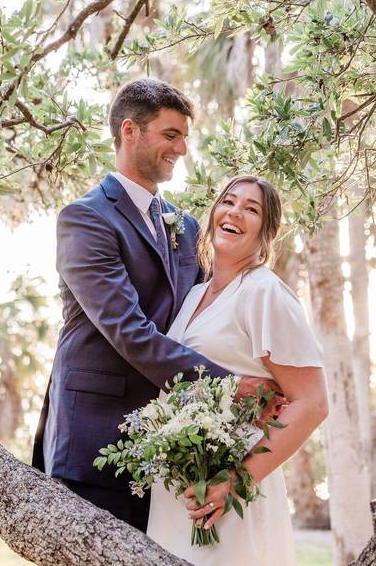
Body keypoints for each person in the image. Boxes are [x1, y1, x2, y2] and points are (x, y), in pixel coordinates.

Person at [31, 79, 280, 532]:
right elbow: (129, 331)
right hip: (95, 442)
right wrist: (229, 386)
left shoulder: (184, 224)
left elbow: (210, 308)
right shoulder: (85, 219)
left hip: (171, 450)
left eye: (185, 136)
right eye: (171, 134)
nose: (182, 148)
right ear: (130, 131)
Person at [146, 175, 328, 565]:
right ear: (213, 214)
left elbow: (312, 403)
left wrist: (235, 482)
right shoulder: (194, 293)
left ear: (267, 231)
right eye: (228, 202)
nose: (235, 213)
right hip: (179, 493)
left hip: (229, 489)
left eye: (251, 209)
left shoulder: (264, 292)